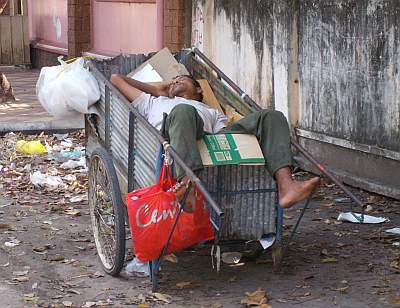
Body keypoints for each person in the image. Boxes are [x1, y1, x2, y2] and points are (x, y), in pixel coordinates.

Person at [110, 73, 319, 210]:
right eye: (172, 80)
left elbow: (226, 136)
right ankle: (186, 185)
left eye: (181, 78)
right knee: (183, 111)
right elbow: (115, 78)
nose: (174, 81)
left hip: (206, 137)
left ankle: (287, 187)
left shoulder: (211, 110)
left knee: (272, 116)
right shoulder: (153, 102)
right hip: (174, 135)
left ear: (199, 89)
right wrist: (157, 90)